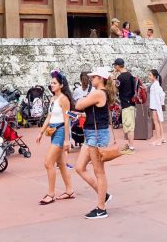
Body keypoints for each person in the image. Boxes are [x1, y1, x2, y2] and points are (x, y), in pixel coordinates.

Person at [74, 66, 117, 220]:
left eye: (93, 77)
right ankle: (103, 195)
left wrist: (81, 100)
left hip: (97, 134)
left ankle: (101, 208)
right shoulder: (98, 92)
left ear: (100, 79)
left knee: (99, 172)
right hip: (91, 133)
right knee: (79, 168)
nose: (91, 79)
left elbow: (78, 105)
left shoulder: (99, 93)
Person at [36, 70, 75, 205]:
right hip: (53, 132)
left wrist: (66, 140)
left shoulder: (64, 99)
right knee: (61, 164)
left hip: (60, 132)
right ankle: (69, 190)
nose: (51, 85)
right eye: (51, 83)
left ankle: (51, 194)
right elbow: (49, 117)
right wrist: (41, 132)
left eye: (54, 83)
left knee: (48, 163)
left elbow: (67, 120)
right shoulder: (53, 99)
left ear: (61, 85)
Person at [112, 58, 136, 154]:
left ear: (117, 66)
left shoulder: (120, 78)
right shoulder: (130, 75)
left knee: (129, 127)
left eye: (115, 65)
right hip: (131, 103)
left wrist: (114, 78)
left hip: (126, 104)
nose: (114, 67)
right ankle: (129, 145)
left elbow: (115, 90)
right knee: (128, 125)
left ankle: (131, 147)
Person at [148, 69, 166, 145]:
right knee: (158, 122)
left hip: (155, 106)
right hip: (156, 106)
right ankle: (162, 138)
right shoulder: (156, 85)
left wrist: (159, 106)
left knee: (156, 123)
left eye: (150, 75)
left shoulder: (155, 86)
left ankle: (158, 140)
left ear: (154, 76)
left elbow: (159, 96)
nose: (149, 76)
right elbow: (162, 95)